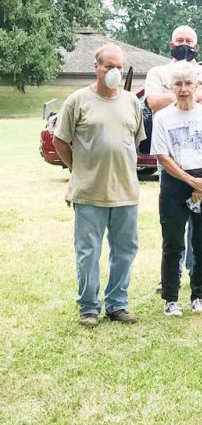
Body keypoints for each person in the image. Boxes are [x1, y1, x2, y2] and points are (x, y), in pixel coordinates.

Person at [53, 44, 145, 327]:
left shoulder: (131, 102)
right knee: (88, 252)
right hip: (89, 192)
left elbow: (136, 141)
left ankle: (117, 304)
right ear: (97, 67)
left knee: (125, 250)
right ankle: (89, 307)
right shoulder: (78, 101)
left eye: (119, 66)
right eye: (109, 66)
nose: (114, 71)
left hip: (125, 192)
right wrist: (78, 169)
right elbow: (60, 141)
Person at [145, 25, 202, 293]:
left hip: (200, 158)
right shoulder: (157, 72)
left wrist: (181, 96)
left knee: (200, 224)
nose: (184, 44)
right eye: (180, 40)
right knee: (174, 223)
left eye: (189, 41)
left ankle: (197, 272)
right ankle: (171, 275)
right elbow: (153, 102)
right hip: (170, 157)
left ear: (197, 47)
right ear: (170, 44)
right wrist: (192, 95)